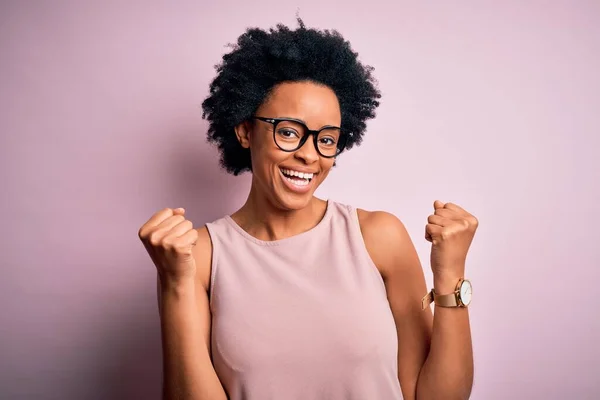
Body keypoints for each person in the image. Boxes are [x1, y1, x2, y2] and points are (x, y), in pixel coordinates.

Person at [138, 18, 478, 400]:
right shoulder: (197, 256)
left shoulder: (378, 238)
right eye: (288, 131)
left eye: (326, 139)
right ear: (245, 131)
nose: (308, 154)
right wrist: (174, 283)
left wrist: (450, 272)